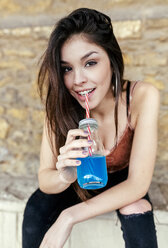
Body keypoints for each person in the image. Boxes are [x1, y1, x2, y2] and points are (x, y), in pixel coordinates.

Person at [22, 8, 160, 248]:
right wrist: (65, 175)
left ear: (112, 59)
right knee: (36, 208)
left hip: (122, 182)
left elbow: (138, 183)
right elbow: (46, 179)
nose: (78, 80)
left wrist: (69, 216)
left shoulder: (142, 96)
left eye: (90, 63)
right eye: (67, 68)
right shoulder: (59, 104)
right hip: (76, 184)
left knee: (137, 207)